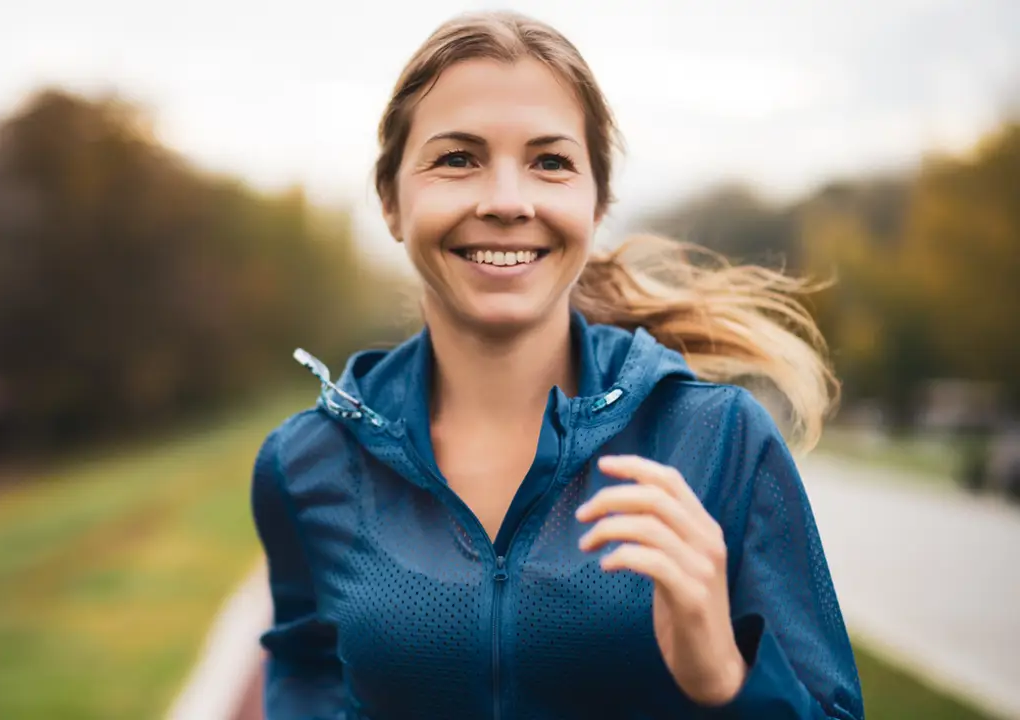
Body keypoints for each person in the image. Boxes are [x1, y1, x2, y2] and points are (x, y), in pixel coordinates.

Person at [251, 10, 864, 720]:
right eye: (457, 158)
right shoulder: (305, 464)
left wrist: (728, 679)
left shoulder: (720, 443)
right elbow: (307, 674)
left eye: (550, 162)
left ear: (597, 203)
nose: (507, 201)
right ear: (391, 201)